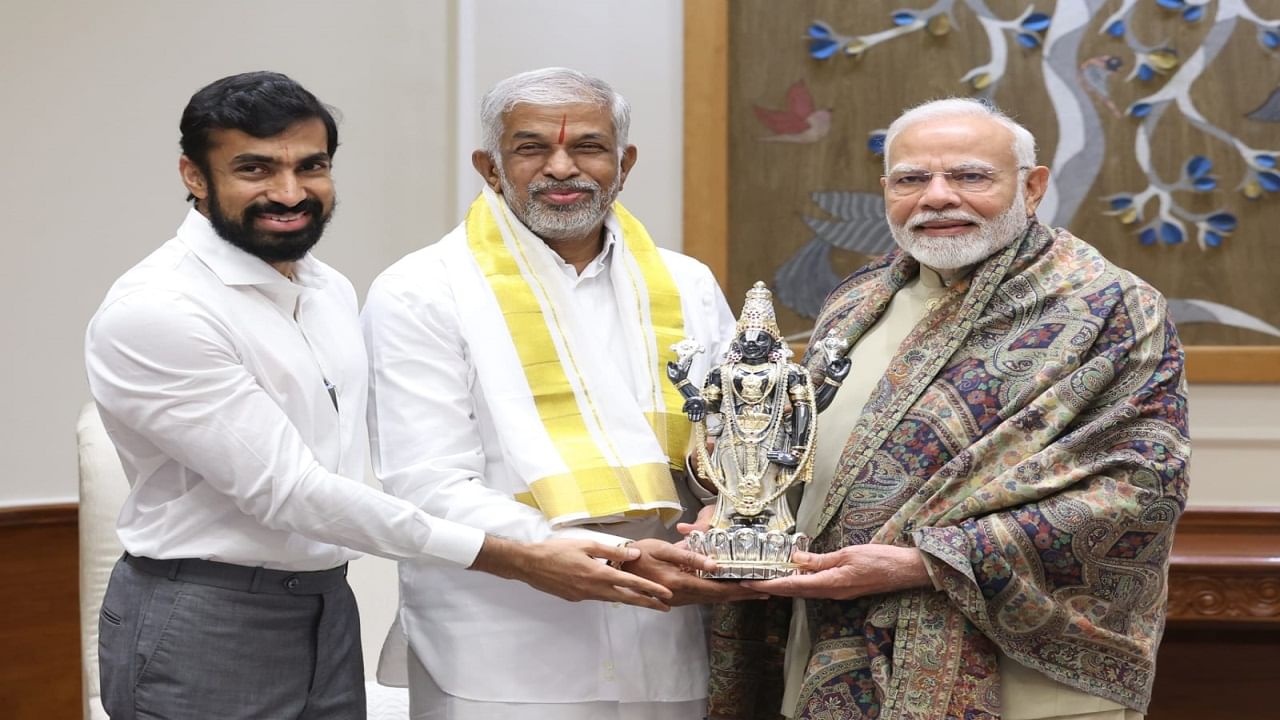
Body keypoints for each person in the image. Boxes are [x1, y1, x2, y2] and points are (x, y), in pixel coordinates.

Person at [85, 70, 685, 720]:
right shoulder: (161, 310)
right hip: (207, 611)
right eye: (255, 169)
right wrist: (515, 556)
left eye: (310, 166)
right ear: (194, 175)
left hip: (325, 606)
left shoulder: (327, 290)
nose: (289, 192)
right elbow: (288, 492)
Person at [707, 98, 1190, 720]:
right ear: (886, 192)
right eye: (912, 179)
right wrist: (741, 512)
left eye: (969, 176)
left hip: (1026, 677)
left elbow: (1141, 487)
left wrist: (927, 564)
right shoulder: (855, 302)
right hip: (835, 644)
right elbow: (796, 450)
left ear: (1032, 187)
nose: (936, 197)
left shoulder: (1108, 308)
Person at [361, 67, 757, 720]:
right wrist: (610, 557)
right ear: (490, 167)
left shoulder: (686, 286)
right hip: (503, 650)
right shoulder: (421, 291)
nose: (562, 167)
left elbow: (734, 440)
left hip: (667, 635)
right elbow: (424, 482)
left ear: (623, 163)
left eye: (589, 147)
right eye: (532, 147)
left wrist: (728, 514)